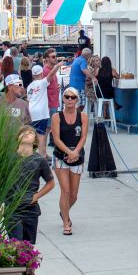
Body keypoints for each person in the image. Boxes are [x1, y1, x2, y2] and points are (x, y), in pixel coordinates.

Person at [50, 86, 90, 235]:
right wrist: (69, 152)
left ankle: (64, 211)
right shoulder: (56, 117)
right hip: (61, 156)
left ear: (77, 99)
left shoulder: (83, 117)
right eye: (67, 97)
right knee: (65, 191)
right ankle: (66, 222)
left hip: (77, 155)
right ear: (63, 99)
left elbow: (84, 137)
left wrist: (75, 152)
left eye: (73, 97)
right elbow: (56, 139)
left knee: (74, 195)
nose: (70, 100)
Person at [9, 125, 54, 244]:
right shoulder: (9, 159)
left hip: (31, 208)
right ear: (17, 137)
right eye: (23, 132)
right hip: (12, 207)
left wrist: (36, 196)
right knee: (15, 245)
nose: (26, 133)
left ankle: (24, 262)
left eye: (30, 132)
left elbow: (51, 183)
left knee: (27, 248)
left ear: (35, 139)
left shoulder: (39, 160)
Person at [26, 63, 62, 159]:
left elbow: (28, 99)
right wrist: (57, 66)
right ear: (41, 74)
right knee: (41, 135)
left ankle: (30, 155)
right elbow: (51, 74)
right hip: (41, 113)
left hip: (32, 112)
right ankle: (42, 156)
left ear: (33, 75)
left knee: (31, 135)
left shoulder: (29, 86)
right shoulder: (42, 83)